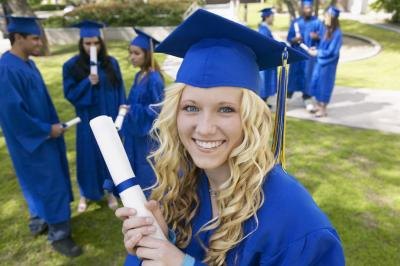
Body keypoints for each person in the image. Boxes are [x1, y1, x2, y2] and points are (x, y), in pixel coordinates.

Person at [115, 9, 345, 266]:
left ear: (251, 118)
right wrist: (158, 241)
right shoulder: (182, 186)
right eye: (191, 107)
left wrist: (184, 264)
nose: (204, 128)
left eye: (226, 109)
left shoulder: (296, 224)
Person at [0, 16, 82, 257]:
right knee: (48, 183)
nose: (40, 43)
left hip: (43, 136)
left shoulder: (27, 63)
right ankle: (59, 235)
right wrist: (47, 129)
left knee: (39, 183)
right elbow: (13, 115)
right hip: (32, 141)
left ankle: (40, 220)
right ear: (18, 38)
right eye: (35, 38)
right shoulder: (6, 70)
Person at [63, 20, 125, 212]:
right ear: (81, 44)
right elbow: (70, 94)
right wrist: (87, 83)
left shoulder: (111, 63)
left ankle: (109, 192)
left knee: (109, 155)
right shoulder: (71, 66)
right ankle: (86, 193)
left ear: (101, 42)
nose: (92, 47)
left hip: (109, 116)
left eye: (95, 43)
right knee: (88, 157)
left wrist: (121, 114)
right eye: (87, 43)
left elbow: (120, 89)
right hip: (87, 118)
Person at [120, 29, 164, 196]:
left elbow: (158, 109)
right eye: (130, 53)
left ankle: (151, 199)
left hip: (147, 135)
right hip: (136, 132)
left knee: (147, 169)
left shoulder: (154, 79)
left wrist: (133, 110)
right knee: (135, 166)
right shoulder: (140, 75)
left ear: (148, 54)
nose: (132, 57)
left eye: (136, 53)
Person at [287, 0, 324, 111]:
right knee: (293, 76)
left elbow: (323, 38)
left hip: (309, 56)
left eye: (310, 8)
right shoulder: (296, 22)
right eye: (306, 8)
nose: (308, 10)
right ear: (302, 9)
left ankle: (307, 98)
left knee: (308, 76)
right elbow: (289, 38)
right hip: (297, 54)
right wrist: (295, 39)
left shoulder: (317, 22)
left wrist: (316, 37)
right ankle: (287, 98)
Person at [309, 6, 343, 117]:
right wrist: (316, 47)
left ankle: (323, 109)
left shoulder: (337, 33)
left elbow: (332, 51)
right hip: (320, 62)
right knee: (317, 82)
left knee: (325, 85)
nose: (325, 18)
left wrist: (318, 52)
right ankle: (318, 106)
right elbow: (323, 44)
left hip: (328, 64)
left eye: (327, 16)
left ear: (332, 18)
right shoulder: (327, 29)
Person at [258, 8, 277, 107]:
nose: (273, 19)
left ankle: (264, 102)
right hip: (266, 60)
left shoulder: (265, 28)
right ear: (267, 17)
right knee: (264, 82)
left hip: (269, 60)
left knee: (267, 81)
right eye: (272, 17)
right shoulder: (263, 30)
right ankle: (262, 103)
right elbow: (265, 45)